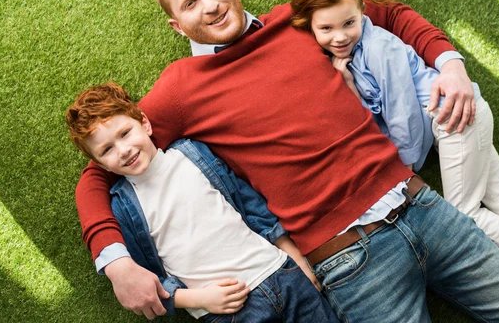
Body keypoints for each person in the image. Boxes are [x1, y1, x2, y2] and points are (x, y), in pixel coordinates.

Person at [74, 0, 499, 322]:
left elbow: (389, 16)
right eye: (190, 3)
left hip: (424, 207)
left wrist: (450, 65)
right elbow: (98, 175)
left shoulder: (299, 21)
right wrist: (116, 262)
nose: (209, 5)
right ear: (177, 25)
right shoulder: (181, 90)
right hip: (351, 261)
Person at [289, 0, 499, 313]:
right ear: (310, 25)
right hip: (458, 119)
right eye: (326, 28)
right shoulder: (348, 59)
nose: (339, 36)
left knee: (466, 216)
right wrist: (349, 87)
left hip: (453, 117)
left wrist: (402, 169)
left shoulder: (378, 48)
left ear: (362, 13)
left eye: (348, 23)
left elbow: (404, 120)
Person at [66, 82, 339, 322]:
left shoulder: (193, 153)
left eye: (125, 133)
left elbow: (254, 207)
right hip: (229, 310)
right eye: (107, 150)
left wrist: (296, 260)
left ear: (145, 124)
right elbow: (150, 284)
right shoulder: (123, 208)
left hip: (282, 272)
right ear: (101, 164)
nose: (123, 150)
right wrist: (200, 300)